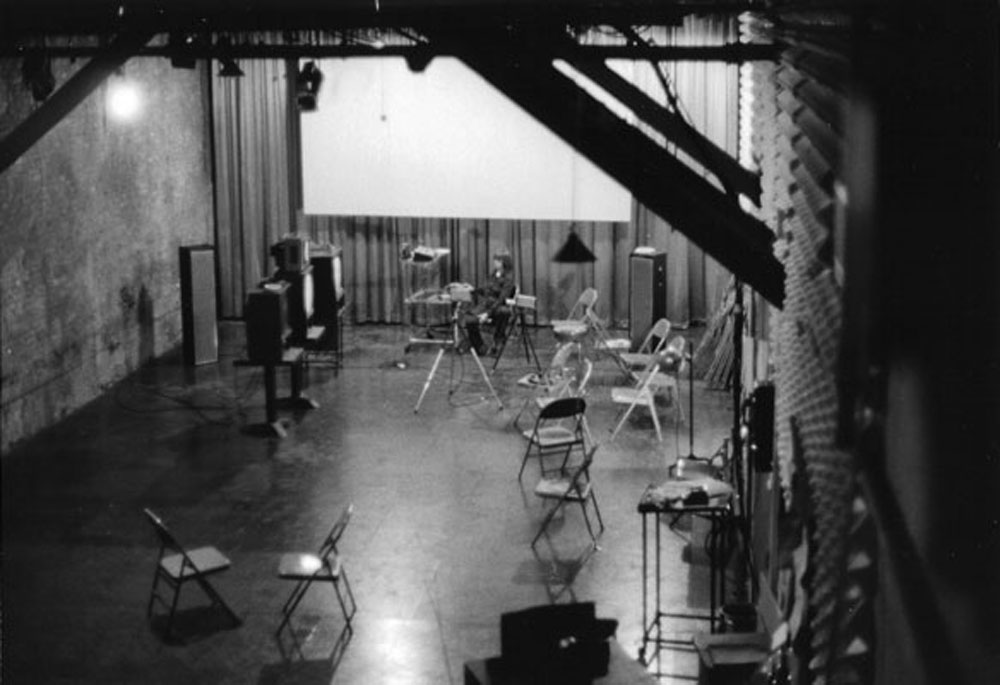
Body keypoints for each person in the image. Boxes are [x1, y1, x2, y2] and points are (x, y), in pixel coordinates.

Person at [464, 254, 516, 356]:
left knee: (503, 312)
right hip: (486, 304)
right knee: (468, 318)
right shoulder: (493, 274)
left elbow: (501, 299)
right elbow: (486, 290)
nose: (494, 262)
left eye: (497, 260)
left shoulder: (508, 279)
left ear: (503, 262)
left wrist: (487, 314)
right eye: (495, 260)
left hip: (496, 306)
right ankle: (479, 347)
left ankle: (498, 340)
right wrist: (473, 289)